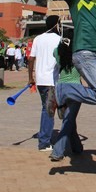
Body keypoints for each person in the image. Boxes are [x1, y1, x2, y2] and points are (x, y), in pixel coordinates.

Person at [50, 29, 84, 162]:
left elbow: (55, 52)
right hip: (75, 88)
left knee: (69, 118)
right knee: (68, 120)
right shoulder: (78, 54)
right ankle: (58, 151)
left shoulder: (58, 52)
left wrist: (62, 44)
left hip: (61, 88)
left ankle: (77, 147)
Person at [28, 15, 61, 152]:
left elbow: (31, 59)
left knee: (46, 109)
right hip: (52, 80)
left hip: (41, 80)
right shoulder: (59, 39)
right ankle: (44, 142)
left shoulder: (38, 39)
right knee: (49, 111)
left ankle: (46, 138)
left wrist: (31, 77)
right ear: (56, 25)